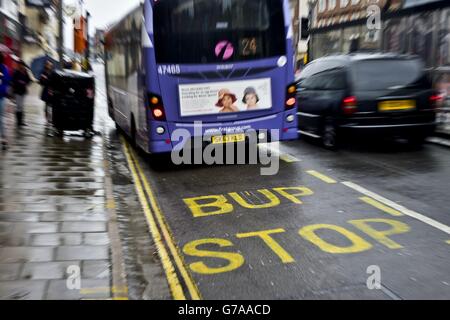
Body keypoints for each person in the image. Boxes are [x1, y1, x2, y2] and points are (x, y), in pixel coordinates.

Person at [11, 60, 32, 126]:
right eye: (19, 64)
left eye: (22, 65)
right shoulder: (16, 72)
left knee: (21, 106)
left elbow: (29, 80)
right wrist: (19, 82)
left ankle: (21, 121)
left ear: (23, 65)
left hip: (23, 91)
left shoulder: (26, 72)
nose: (20, 66)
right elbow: (13, 81)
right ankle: (18, 122)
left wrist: (25, 83)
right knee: (18, 106)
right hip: (17, 91)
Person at [0, 54, 11, 149]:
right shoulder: (6, 68)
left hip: (1, 96)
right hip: (2, 96)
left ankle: (4, 138)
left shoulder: (5, 69)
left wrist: (1, 76)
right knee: (2, 118)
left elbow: (7, 80)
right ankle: (4, 138)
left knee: (2, 118)